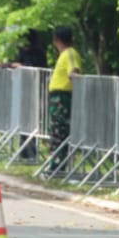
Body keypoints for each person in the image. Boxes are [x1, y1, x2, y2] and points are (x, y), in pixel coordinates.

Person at [47, 25, 81, 171]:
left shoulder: (70, 53)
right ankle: (56, 164)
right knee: (55, 131)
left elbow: (74, 71)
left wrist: (73, 75)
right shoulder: (65, 54)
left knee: (60, 131)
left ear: (57, 40)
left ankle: (58, 166)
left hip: (62, 98)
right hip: (57, 97)